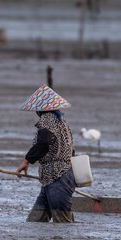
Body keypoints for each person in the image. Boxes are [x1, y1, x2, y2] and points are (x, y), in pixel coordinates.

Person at [16, 84, 76, 223]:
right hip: (52, 177)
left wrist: (26, 161)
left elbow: (43, 144)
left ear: (40, 108)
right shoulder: (60, 120)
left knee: (63, 221)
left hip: (58, 177)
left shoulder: (48, 120)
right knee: (35, 221)